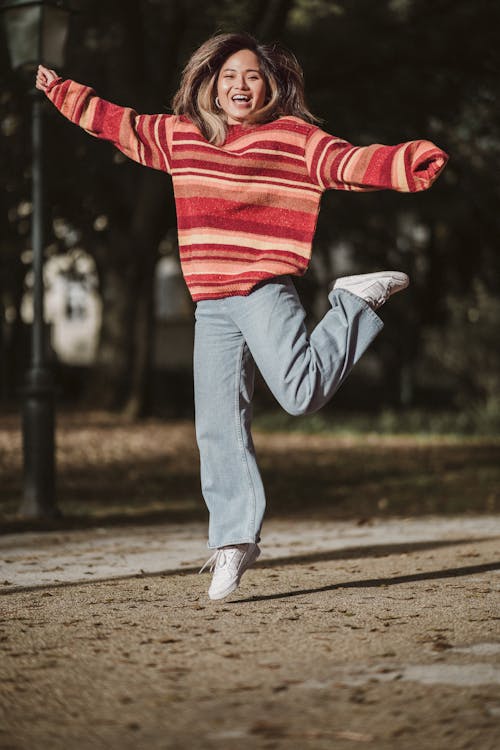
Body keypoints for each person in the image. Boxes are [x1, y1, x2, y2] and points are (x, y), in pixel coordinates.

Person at [36, 32, 448, 601]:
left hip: (263, 290)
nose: (240, 86)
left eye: (252, 75)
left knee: (300, 395)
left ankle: (353, 301)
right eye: (229, 76)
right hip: (211, 303)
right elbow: (121, 124)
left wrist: (406, 164)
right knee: (218, 426)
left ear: (269, 84)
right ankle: (232, 541)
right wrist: (65, 94)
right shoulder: (182, 137)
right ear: (209, 83)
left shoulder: (292, 138)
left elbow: (348, 161)